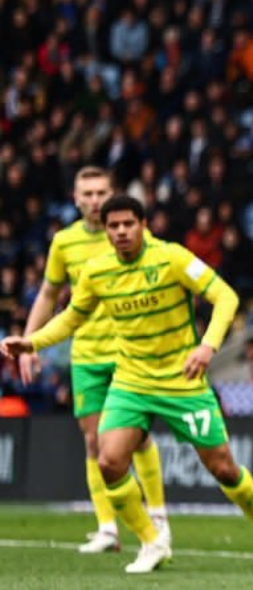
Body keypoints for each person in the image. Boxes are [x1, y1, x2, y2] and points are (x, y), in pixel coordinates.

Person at [1, 195, 253, 574]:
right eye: (114, 226)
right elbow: (72, 317)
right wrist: (33, 343)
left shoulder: (171, 258)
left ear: (143, 225)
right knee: (109, 462)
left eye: (128, 223)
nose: (121, 231)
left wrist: (207, 346)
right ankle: (151, 540)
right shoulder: (97, 271)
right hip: (132, 381)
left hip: (183, 381)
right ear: (105, 230)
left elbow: (224, 296)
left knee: (224, 469)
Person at [19, 166, 171, 554]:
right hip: (86, 354)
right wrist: (30, 342)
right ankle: (107, 528)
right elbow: (48, 294)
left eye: (100, 192)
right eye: (86, 194)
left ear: (112, 193)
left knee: (137, 437)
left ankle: (157, 516)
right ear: (75, 198)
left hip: (128, 353)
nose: (94, 200)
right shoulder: (64, 242)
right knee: (93, 442)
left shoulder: (129, 234)